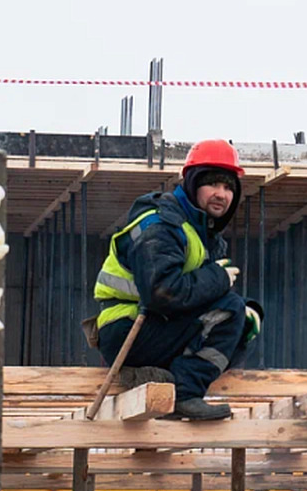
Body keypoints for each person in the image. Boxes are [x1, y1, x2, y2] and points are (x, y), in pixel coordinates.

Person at [92, 138, 262, 420]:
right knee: (230, 308)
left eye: (229, 187)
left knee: (241, 321)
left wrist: (245, 312)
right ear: (193, 183)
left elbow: (198, 299)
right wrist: (218, 278)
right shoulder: (160, 224)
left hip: (153, 328)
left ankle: (167, 381)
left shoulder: (202, 234)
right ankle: (184, 393)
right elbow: (161, 293)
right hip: (127, 330)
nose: (221, 193)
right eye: (213, 184)